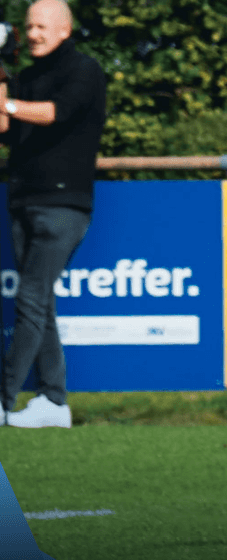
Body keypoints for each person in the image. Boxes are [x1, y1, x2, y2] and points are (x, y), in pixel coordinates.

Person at [0, 0, 106, 428]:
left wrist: (8, 105)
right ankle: (53, 401)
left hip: (63, 206)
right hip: (23, 200)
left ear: (65, 29)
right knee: (39, 305)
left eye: (42, 26)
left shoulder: (84, 70)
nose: (33, 34)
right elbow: (6, 129)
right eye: (29, 27)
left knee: (30, 300)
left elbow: (54, 113)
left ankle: (4, 399)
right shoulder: (25, 77)